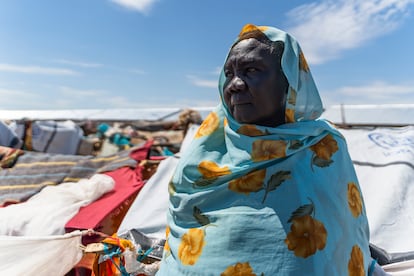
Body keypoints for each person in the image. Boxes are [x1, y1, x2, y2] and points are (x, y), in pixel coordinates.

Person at [156, 24, 380, 275]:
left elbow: (344, 236)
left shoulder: (323, 146)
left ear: (290, 82)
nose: (235, 84)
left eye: (252, 70)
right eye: (229, 73)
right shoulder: (205, 149)